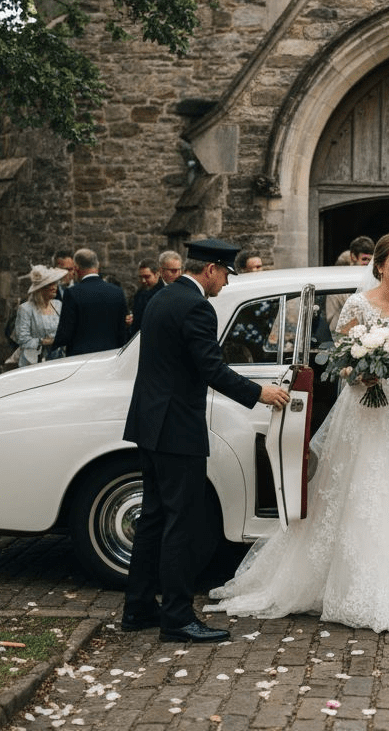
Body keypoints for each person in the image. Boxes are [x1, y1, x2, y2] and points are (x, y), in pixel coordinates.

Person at [208, 233, 389, 632]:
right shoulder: (357, 304)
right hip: (365, 410)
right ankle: (358, 588)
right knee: (362, 491)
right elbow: (341, 363)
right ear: (379, 265)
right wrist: (363, 374)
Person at [122, 238, 290, 644]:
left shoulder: (161, 297)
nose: (226, 283)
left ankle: (139, 607)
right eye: (226, 274)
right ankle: (177, 618)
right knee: (183, 523)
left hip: (149, 423)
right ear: (211, 269)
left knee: (154, 518)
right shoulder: (196, 305)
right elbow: (211, 368)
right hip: (178, 427)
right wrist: (259, 393)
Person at [51, 248, 128, 356]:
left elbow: (65, 333)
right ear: (97, 265)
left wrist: (53, 347)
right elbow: (122, 332)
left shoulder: (72, 293)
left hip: (80, 358)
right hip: (111, 355)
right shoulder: (117, 292)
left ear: (76, 268)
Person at [12, 265, 67, 366]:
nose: (54, 287)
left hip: (57, 359)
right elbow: (23, 340)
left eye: (55, 283)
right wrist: (44, 341)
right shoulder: (26, 309)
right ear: (41, 288)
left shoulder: (58, 305)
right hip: (33, 360)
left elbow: (65, 329)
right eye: (50, 284)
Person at [127, 259, 163, 338]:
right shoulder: (140, 293)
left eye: (147, 277)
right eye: (141, 277)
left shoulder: (163, 294)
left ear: (157, 274)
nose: (143, 281)